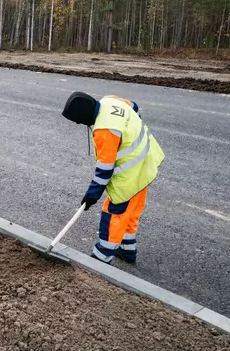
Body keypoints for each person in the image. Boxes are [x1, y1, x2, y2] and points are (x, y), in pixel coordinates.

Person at [61, 92, 165, 265]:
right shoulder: (110, 100)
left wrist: (92, 195)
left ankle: (101, 258)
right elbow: (134, 107)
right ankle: (127, 250)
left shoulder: (104, 130)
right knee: (130, 213)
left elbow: (105, 169)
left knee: (114, 213)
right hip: (147, 162)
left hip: (131, 175)